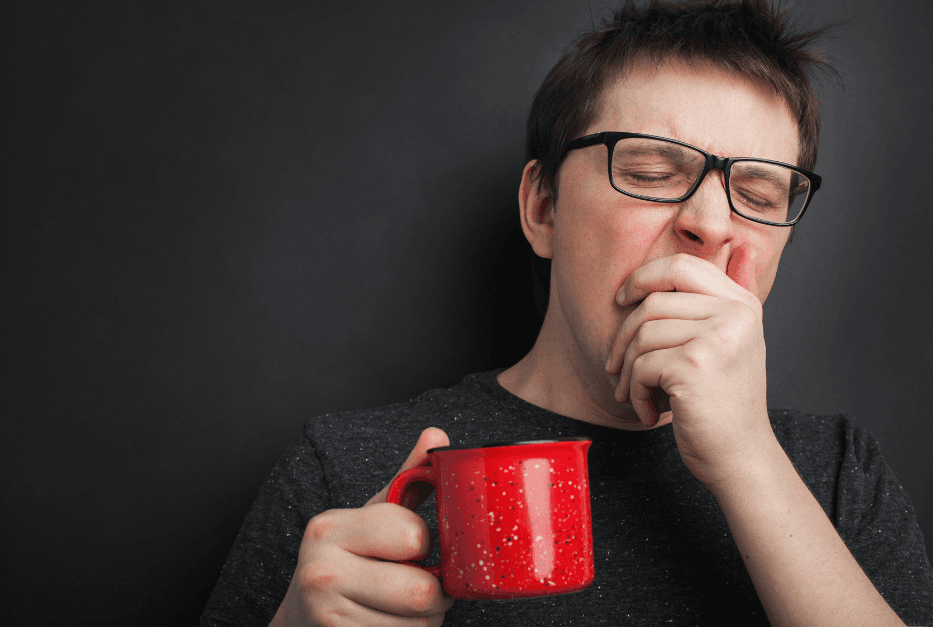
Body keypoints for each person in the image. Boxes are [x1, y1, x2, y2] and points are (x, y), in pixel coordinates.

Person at [200, 1, 933, 625]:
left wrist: (745, 457)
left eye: (763, 194)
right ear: (542, 207)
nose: (711, 223)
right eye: (650, 171)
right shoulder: (345, 473)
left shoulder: (836, 474)